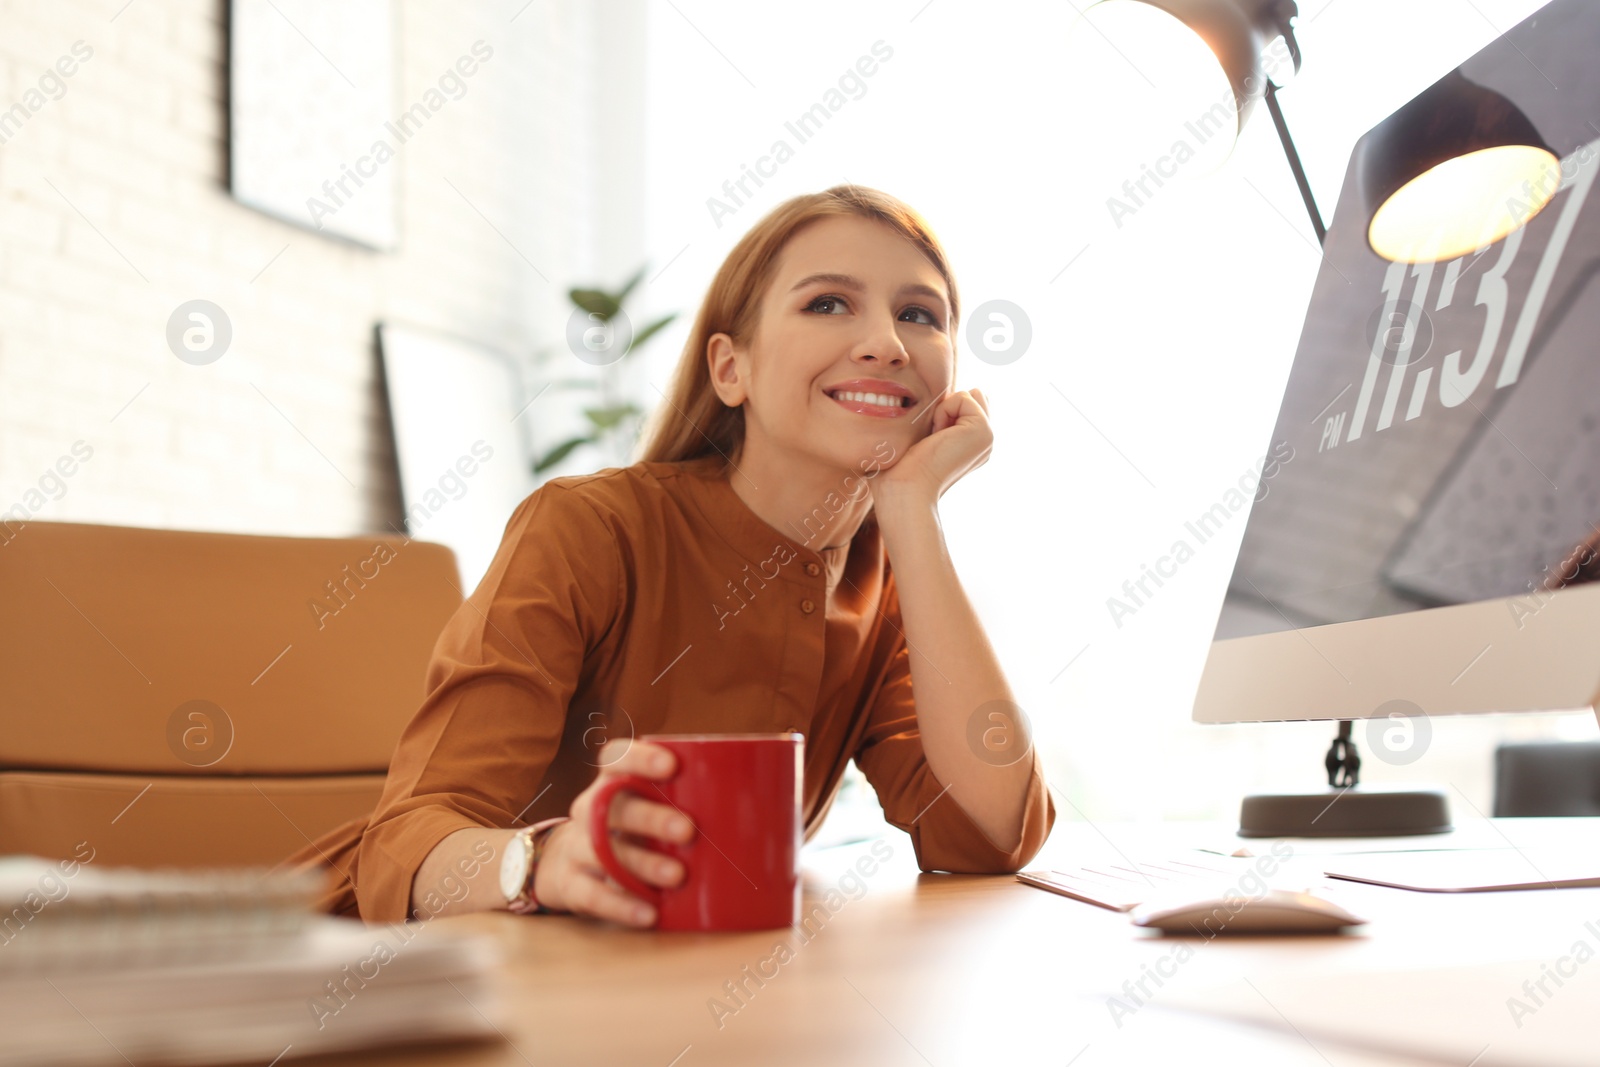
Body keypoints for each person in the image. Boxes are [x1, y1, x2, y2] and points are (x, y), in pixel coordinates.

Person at [281, 184, 1055, 926]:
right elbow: (403, 843)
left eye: (920, 314)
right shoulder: (589, 530)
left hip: (661, 995)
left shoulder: (880, 581)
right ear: (730, 368)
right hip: (384, 979)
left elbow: (990, 835)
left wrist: (914, 513)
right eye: (828, 302)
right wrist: (546, 862)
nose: (888, 343)